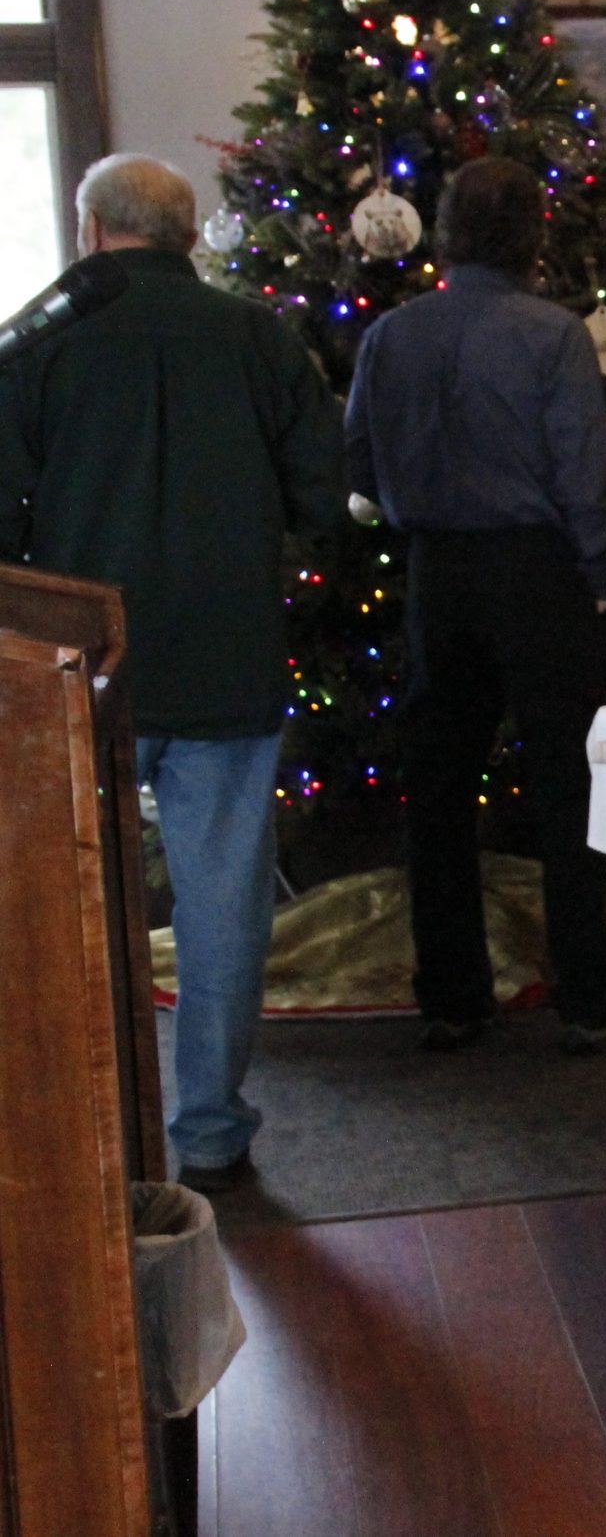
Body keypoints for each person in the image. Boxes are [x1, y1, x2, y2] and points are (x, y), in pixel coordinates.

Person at [0, 154, 344, 1190]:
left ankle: (98, 1133)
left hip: (80, 664)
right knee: (224, 904)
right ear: (189, 236)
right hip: (229, 655)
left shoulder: (38, 342)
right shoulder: (258, 337)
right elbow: (323, 500)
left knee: (78, 902)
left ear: (91, 228)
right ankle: (208, 1131)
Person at [344, 157, 606, 1056]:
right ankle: (587, 993)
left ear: (443, 233)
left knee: (438, 786)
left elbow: (359, 459)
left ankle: (452, 995)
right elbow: (583, 472)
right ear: (531, 235)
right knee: (568, 783)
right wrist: (599, 572)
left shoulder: (390, 335)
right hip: (537, 571)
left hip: (437, 571)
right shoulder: (552, 335)